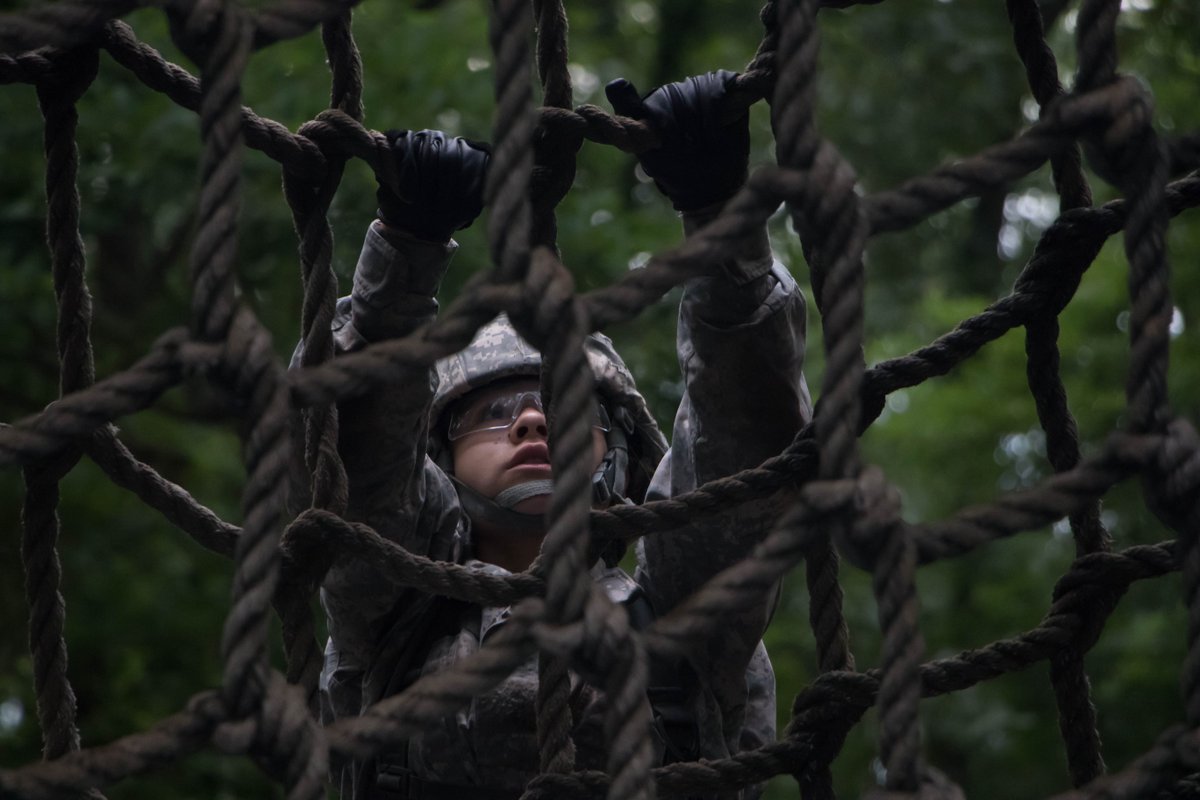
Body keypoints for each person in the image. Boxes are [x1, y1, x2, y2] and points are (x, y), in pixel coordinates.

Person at [300, 70, 813, 799]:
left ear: (619, 454)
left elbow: (744, 440)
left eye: (569, 407)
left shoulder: (681, 617)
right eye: (494, 413)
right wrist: (404, 253)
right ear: (439, 458)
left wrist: (721, 214)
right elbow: (356, 452)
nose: (536, 420)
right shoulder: (391, 610)